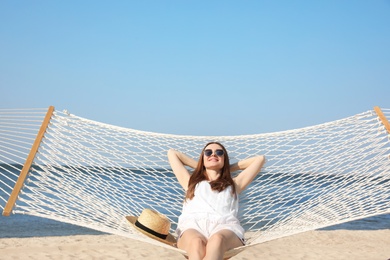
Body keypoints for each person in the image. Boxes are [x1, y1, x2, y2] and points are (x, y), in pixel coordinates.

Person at [167, 141, 266, 260]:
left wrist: (226, 168)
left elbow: (260, 159)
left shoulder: (234, 184)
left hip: (225, 227)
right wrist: (201, 166)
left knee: (217, 240)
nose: (213, 155)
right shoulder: (190, 182)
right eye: (208, 152)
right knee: (196, 242)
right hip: (193, 226)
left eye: (219, 153)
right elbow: (172, 153)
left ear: (225, 159)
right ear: (202, 158)